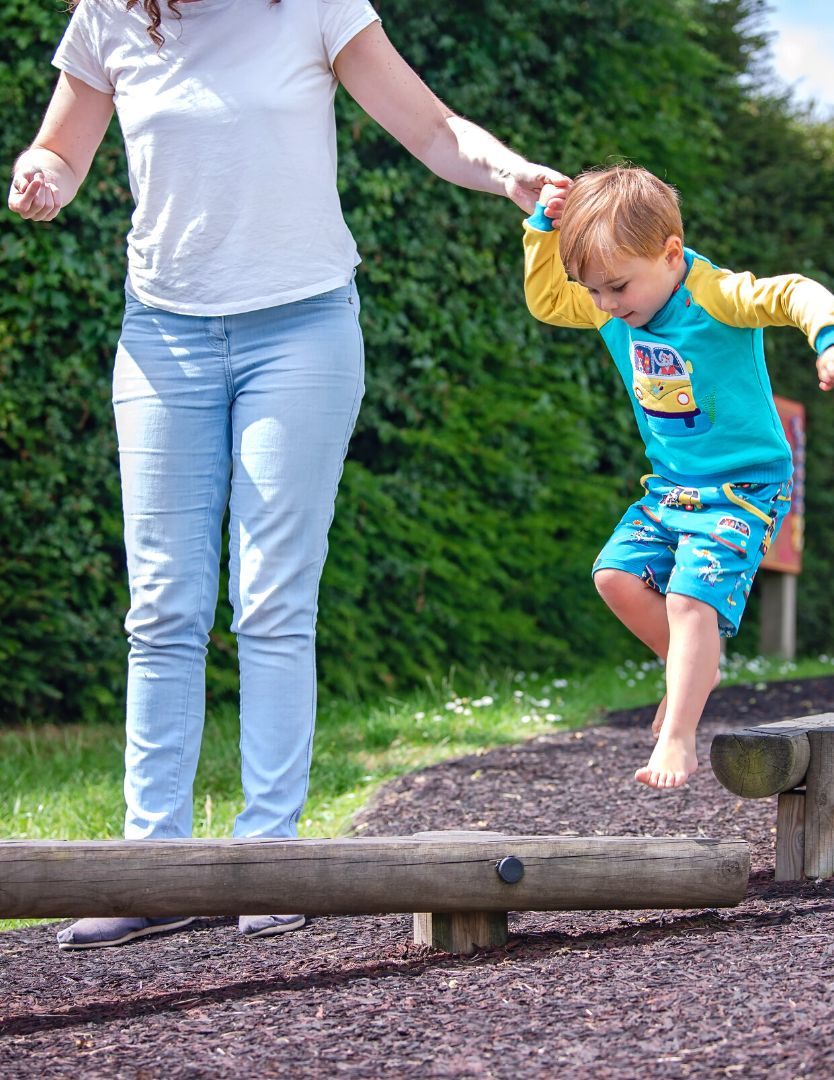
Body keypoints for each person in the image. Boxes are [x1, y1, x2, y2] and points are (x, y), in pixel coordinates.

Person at [8, 0, 566, 950]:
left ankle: (272, 857)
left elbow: (430, 128)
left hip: (300, 327)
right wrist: (42, 175)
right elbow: (63, 145)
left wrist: (513, 172)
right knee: (162, 607)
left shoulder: (315, 4)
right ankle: (153, 869)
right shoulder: (107, 13)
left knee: (271, 596)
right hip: (162, 336)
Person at [522, 165, 834, 790]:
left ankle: (678, 736)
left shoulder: (715, 295)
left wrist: (830, 337)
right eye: (593, 291)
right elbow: (547, 301)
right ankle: (687, 668)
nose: (605, 305)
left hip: (746, 487)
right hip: (672, 486)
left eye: (617, 288)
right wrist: (543, 229)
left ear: (670, 253)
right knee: (615, 576)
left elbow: (792, 293)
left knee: (687, 599)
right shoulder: (611, 307)